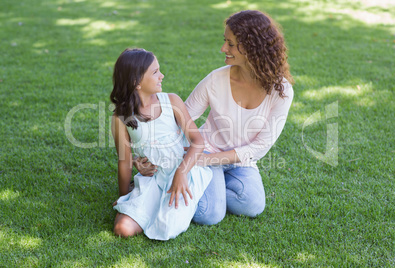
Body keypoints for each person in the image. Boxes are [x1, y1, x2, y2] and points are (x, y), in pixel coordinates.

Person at [134, 10, 294, 225]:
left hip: (238, 161)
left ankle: (203, 185)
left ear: (252, 48)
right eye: (224, 41)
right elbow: (182, 117)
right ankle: (189, 184)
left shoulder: (281, 90)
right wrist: (145, 156)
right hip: (207, 149)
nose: (223, 49)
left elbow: (260, 147)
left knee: (252, 205)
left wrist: (208, 161)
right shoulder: (216, 80)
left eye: (230, 44)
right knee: (209, 214)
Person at [110, 48, 212, 240]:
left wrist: (181, 172)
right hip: (152, 178)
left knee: (167, 227)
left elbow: (198, 141)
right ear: (136, 82)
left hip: (183, 174)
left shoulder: (171, 102)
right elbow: (124, 161)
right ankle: (143, 202)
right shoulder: (121, 118)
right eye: (155, 72)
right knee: (122, 229)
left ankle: (165, 205)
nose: (162, 75)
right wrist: (124, 197)